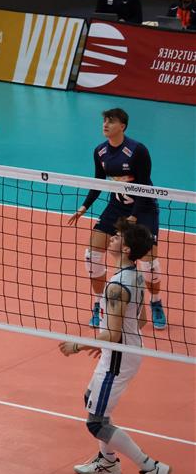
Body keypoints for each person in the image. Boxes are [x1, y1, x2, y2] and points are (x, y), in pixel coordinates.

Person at [59, 219, 171, 474]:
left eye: (117, 236)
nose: (111, 238)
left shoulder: (117, 286)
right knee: (90, 399)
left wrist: (77, 345)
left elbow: (112, 332)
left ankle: (151, 467)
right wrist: (109, 342)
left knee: (96, 423)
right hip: (121, 351)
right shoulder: (135, 276)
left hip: (120, 357)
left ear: (127, 248)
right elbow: (141, 320)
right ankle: (108, 461)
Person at [67, 107, 166, 331]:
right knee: (91, 256)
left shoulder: (137, 150)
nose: (105, 124)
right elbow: (98, 182)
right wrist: (84, 207)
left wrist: (134, 215)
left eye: (111, 121)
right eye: (104, 121)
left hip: (144, 208)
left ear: (122, 126)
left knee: (149, 263)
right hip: (116, 207)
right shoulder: (100, 151)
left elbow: (144, 186)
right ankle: (99, 304)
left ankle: (156, 302)